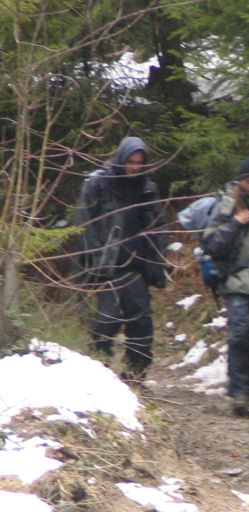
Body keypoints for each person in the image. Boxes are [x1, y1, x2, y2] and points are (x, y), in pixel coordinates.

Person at [74, 135, 169, 383]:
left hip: (136, 267)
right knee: (108, 319)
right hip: (106, 267)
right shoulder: (99, 184)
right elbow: (84, 225)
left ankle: (135, 376)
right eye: (131, 161)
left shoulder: (147, 189)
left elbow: (158, 227)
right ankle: (99, 372)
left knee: (141, 322)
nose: (134, 167)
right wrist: (94, 261)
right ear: (121, 158)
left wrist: (157, 261)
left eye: (139, 162)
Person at [202, 156, 249, 417]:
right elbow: (211, 244)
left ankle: (248, 394)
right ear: (241, 181)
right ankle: (239, 393)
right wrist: (236, 223)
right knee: (240, 334)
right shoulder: (227, 205)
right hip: (235, 280)